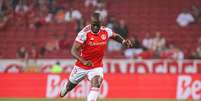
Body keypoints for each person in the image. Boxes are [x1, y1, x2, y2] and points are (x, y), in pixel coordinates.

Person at [60, 12, 132, 101]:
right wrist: (83, 61)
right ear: (91, 22)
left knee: (97, 82)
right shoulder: (84, 33)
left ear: (101, 23)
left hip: (96, 66)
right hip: (81, 66)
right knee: (69, 87)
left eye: (97, 25)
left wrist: (123, 41)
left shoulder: (105, 31)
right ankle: (66, 87)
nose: (95, 27)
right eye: (94, 25)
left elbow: (115, 36)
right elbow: (73, 50)